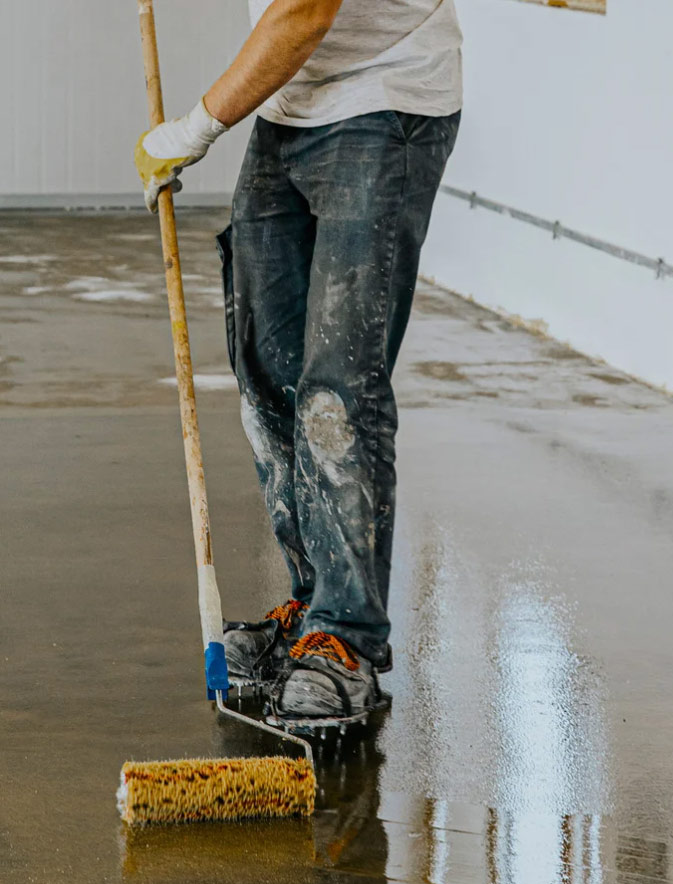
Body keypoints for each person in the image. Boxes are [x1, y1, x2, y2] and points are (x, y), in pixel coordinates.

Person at [135, 0, 462, 721]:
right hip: (292, 105)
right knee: (267, 374)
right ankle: (315, 604)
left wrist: (192, 130)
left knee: (337, 394)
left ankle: (346, 637)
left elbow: (304, 13)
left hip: (386, 101)